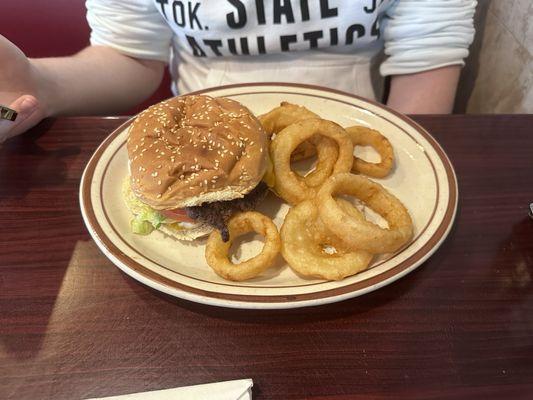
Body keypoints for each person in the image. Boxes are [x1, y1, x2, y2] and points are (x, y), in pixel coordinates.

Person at [0, 0, 476, 143]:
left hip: (350, 140)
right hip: (195, 143)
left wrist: (399, 162)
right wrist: (35, 86)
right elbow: (131, 58)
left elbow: (426, 61)